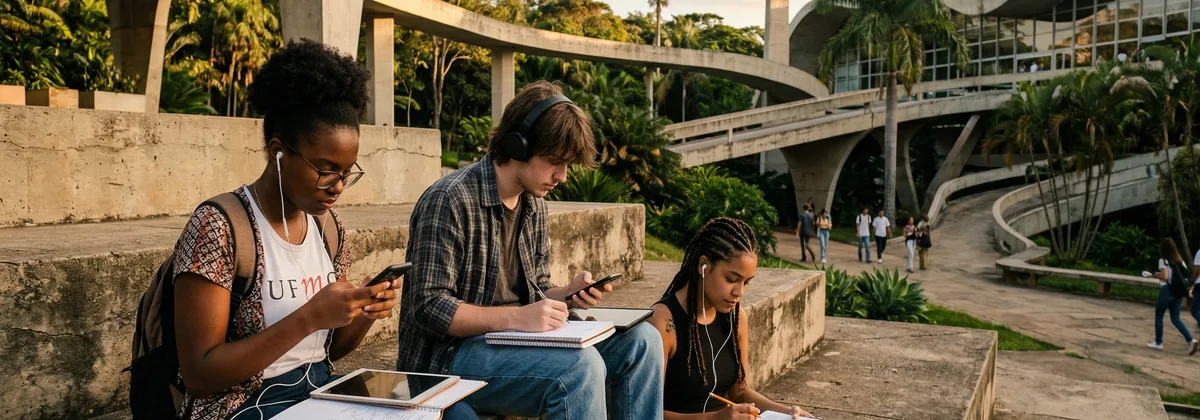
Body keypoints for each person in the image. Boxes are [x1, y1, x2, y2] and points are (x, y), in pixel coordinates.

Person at [169, 40, 475, 420]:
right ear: (279, 152)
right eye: (326, 169)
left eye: (347, 173)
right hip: (239, 405)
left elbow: (327, 351)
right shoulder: (220, 227)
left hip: (316, 391)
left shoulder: (328, 228)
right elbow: (200, 374)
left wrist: (362, 311)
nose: (338, 186)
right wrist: (308, 316)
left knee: (454, 413)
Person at [396, 80, 664, 419]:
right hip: (449, 355)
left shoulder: (533, 205)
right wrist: (517, 317)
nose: (563, 176)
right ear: (518, 145)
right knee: (578, 369)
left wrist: (567, 293)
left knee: (643, 342)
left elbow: (536, 285)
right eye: (555, 161)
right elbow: (430, 307)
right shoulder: (449, 200)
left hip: (516, 343)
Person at [648, 218, 815, 419]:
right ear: (704, 266)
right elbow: (647, 413)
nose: (739, 292)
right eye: (731, 279)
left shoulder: (736, 318)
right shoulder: (663, 323)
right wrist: (715, 418)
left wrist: (787, 412)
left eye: (747, 283)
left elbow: (740, 391)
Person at [1148, 239, 1198, 354]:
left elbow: (1165, 277)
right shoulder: (1180, 260)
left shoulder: (1163, 260)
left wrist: (1156, 275)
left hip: (1167, 291)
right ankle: (1191, 340)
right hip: (1179, 292)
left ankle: (1158, 342)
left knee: (1159, 315)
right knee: (1176, 318)